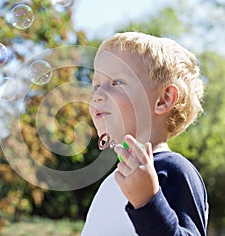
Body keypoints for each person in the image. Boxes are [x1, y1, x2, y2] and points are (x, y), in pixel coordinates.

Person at [81, 31, 209, 236]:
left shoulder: (172, 170)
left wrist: (148, 201)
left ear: (163, 100)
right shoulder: (113, 181)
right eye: (96, 85)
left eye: (117, 82)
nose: (97, 95)